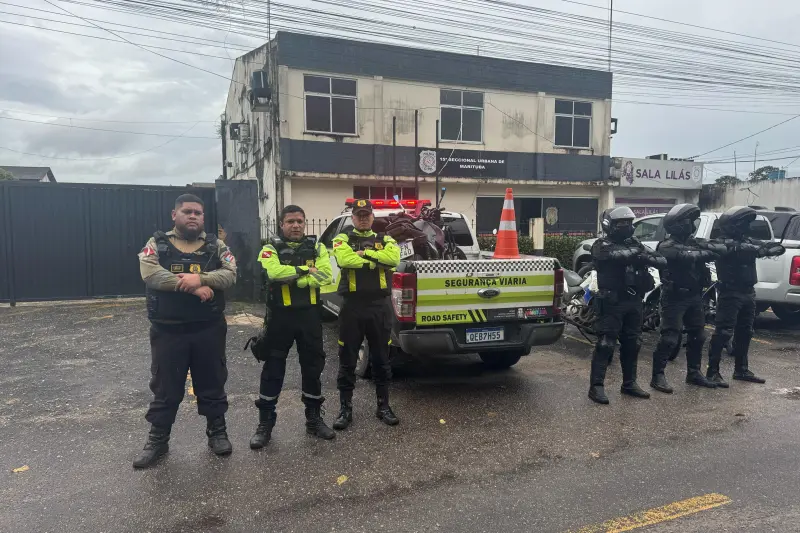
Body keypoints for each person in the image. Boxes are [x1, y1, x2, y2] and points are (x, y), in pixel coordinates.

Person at [134, 194, 237, 469]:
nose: (193, 216)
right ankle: (158, 440)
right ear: (174, 215)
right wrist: (193, 288)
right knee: (165, 386)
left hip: (208, 328)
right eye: (187, 211)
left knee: (213, 381)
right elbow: (150, 274)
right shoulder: (157, 243)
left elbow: (230, 274)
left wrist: (200, 277)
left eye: (198, 213)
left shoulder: (217, 246)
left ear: (203, 218)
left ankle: (217, 433)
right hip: (168, 330)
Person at [249, 205, 335, 448]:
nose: (296, 225)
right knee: (273, 370)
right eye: (290, 221)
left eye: (299, 221)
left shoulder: (317, 247)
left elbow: (327, 275)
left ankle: (314, 419)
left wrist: (297, 279)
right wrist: (306, 270)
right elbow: (275, 273)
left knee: (312, 368)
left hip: (309, 317)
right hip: (280, 318)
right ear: (281, 224)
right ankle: (265, 424)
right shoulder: (270, 248)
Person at [331, 199, 401, 429]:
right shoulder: (343, 238)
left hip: (379, 307)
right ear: (353, 218)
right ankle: (345, 409)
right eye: (359, 215)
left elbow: (394, 259)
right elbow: (344, 259)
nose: (363, 218)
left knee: (381, 359)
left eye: (366, 215)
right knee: (348, 360)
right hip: (352, 307)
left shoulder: (385, 239)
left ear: (372, 217)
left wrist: (365, 254)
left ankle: (383, 406)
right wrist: (376, 260)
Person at [588, 207, 667, 405]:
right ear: (609, 225)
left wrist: (639, 255)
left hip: (634, 301)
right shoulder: (601, 245)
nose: (626, 226)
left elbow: (660, 259)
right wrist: (638, 255)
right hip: (611, 302)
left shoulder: (635, 243)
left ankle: (629, 383)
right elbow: (612, 256)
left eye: (629, 223)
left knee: (633, 343)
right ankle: (596, 386)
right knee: (606, 343)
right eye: (621, 223)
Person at [705, 206, 785, 387]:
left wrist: (766, 249)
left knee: (746, 332)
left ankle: (741, 369)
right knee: (723, 332)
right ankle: (712, 371)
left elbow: (774, 248)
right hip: (730, 292)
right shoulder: (721, 242)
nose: (748, 227)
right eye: (744, 223)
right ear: (733, 225)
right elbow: (731, 249)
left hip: (748, 292)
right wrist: (754, 249)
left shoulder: (748, 241)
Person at [650, 204, 719, 393]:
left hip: (694, 296)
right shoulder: (666, 246)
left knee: (698, 335)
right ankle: (657, 376)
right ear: (677, 225)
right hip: (674, 297)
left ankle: (694, 373)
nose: (692, 225)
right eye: (688, 221)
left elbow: (714, 249)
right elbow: (687, 255)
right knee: (670, 338)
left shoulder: (694, 243)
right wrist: (706, 252)